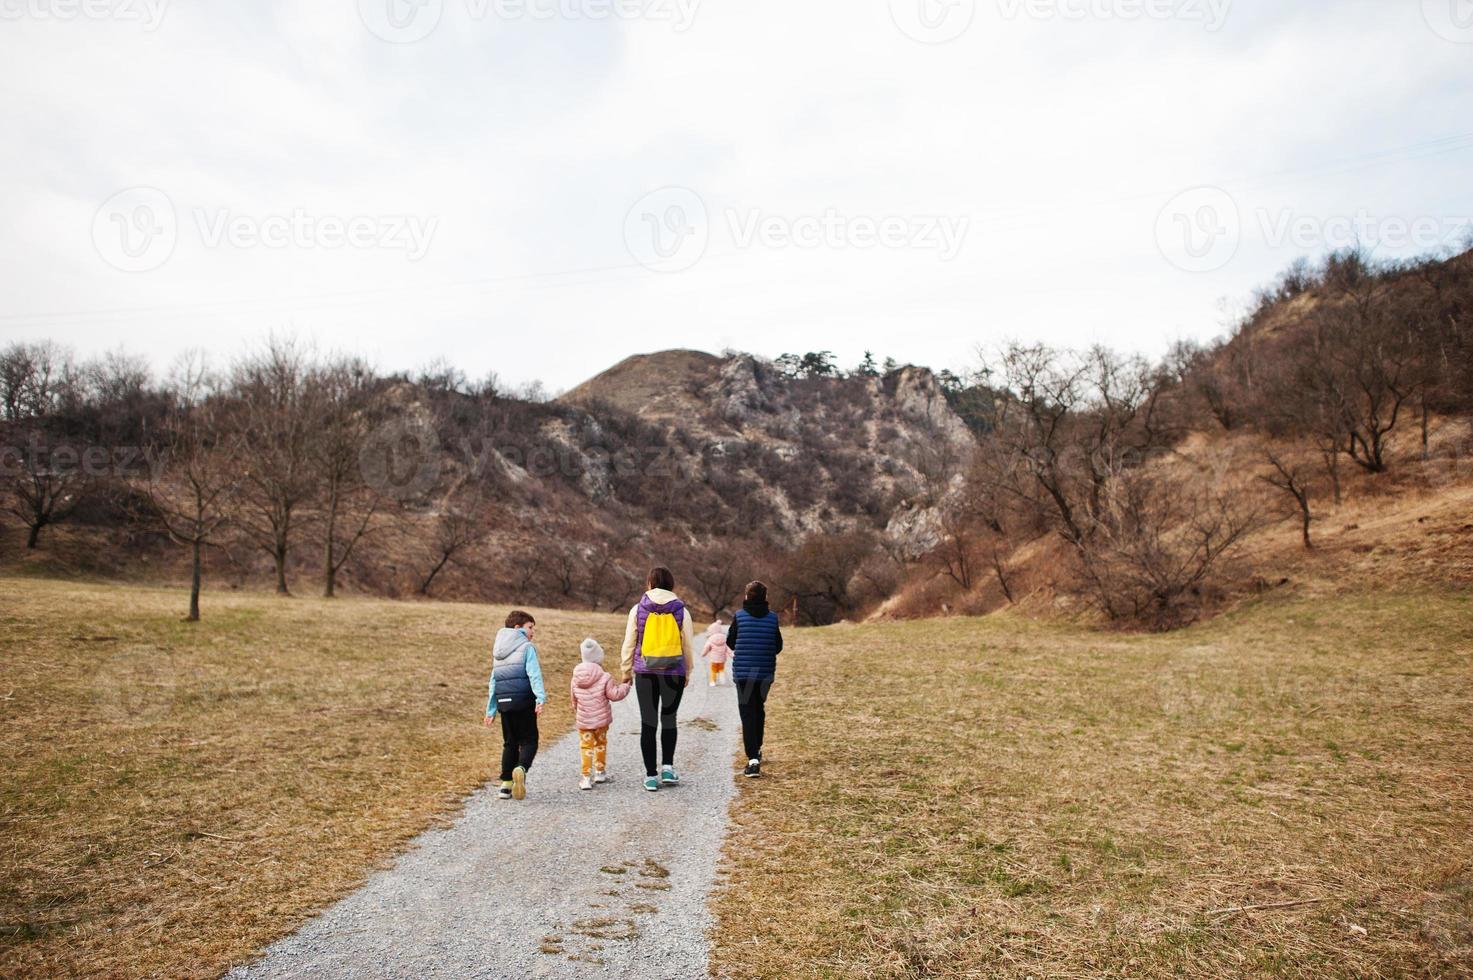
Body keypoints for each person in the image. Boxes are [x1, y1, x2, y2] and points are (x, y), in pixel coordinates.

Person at [620, 566, 695, 792]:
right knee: (669, 719)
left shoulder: (638, 609)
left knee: (648, 723)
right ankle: (668, 768)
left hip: (645, 672)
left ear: (650, 583)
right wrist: (687, 671)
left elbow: (629, 643)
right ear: (671, 585)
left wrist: (626, 671)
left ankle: (650, 775)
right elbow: (687, 644)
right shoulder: (681, 610)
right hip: (673, 672)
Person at [483, 610, 546, 800]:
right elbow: (534, 674)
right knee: (529, 740)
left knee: (509, 743)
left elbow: (494, 681)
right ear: (517, 628)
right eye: (530, 627)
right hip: (524, 701)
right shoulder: (527, 647)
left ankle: (505, 785)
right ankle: (521, 768)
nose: (533, 632)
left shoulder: (498, 651)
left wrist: (491, 709)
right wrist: (540, 697)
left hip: (504, 703)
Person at [727, 581, 782, 778]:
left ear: (747, 596)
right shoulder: (773, 618)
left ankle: (752, 760)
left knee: (747, 713)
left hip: (743, 674)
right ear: (765, 598)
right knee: (758, 709)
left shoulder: (739, 617)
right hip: (765, 673)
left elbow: (730, 642)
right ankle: (757, 749)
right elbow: (778, 646)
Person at [570, 637, 632, 790]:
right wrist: (626, 686)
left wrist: (578, 711)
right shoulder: (605, 677)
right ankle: (599, 772)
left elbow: (574, 700)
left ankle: (585, 777)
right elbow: (614, 695)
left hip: (584, 721)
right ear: (599, 657)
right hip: (601, 722)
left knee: (586, 746)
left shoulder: (575, 678)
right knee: (600, 744)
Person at [702, 619, 730, 686]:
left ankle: (712, 682)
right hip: (722, 659)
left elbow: (706, 647)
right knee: (721, 669)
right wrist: (732, 654)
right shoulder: (724, 638)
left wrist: (703, 654)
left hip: (714, 659)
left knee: (713, 670)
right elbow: (728, 648)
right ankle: (722, 680)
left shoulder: (711, 639)